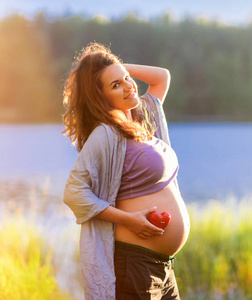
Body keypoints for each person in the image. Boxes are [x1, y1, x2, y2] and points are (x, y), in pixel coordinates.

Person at [62, 42, 190, 300]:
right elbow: (73, 192)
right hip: (135, 264)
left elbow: (162, 76)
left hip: (163, 267)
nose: (129, 86)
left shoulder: (142, 118)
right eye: (115, 86)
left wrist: (114, 69)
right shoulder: (105, 133)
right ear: (100, 97)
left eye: (128, 79)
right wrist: (128, 219)